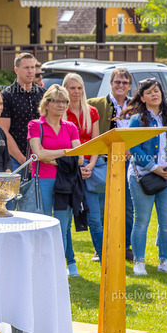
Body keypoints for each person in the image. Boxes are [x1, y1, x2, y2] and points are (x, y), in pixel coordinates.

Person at [28, 84, 83, 277]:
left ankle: (64, 265)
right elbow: (38, 154)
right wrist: (66, 154)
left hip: (65, 182)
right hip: (42, 180)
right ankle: (43, 264)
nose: (61, 105)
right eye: (57, 101)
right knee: (44, 223)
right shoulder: (35, 125)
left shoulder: (70, 127)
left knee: (63, 225)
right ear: (46, 104)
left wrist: (53, 157)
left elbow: (80, 158)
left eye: (64, 101)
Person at [123, 78, 167, 276]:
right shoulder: (137, 119)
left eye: (156, 90)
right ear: (142, 98)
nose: (154, 94)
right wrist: (154, 168)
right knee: (142, 221)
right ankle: (139, 262)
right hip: (142, 177)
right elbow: (134, 148)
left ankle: (164, 261)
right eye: (149, 92)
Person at [88, 68, 135, 261]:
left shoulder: (136, 106)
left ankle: (125, 245)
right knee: (102, 207)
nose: (120, 85)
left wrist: (131, 149)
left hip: (130, 164)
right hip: (103, 163)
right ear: (111, 83)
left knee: (127, 207)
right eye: (117, 81)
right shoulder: (95, 104)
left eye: (124, 82)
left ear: (129, 86)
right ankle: (101, 247)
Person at [63, 73, 103, 262]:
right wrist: (76, 165)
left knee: (95, 217)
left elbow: (96, 141)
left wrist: (92, 165)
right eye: (72, 88)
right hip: (68, 167)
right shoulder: (60, 111)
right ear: (65, 89)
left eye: (79, 88)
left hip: (89, 167)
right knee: (66, 217)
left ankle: (103, 257)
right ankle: (68, 260)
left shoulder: (91, 111)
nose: (76, 92)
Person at [0, 53, 46, 171]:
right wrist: (22, 160)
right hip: (15, 159)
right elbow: (3, 131)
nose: (30, 71)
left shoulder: (43, 94)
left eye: (32, 67)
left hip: (43, 157)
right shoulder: (7, 95)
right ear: (16, 70)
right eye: (26, 68)